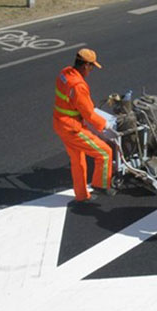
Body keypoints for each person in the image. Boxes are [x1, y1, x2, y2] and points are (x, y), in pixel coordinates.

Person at [53, 48, 115, 202]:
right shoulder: (78, 85)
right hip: (72, 127)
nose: (91, 70)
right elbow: (88, 113)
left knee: (77, 160)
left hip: (60, 122)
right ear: (86, 65)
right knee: (105, 153)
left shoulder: (65, 73)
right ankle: (101, 185)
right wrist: (105, 124)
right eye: (92, 67)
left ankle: (81, 196)